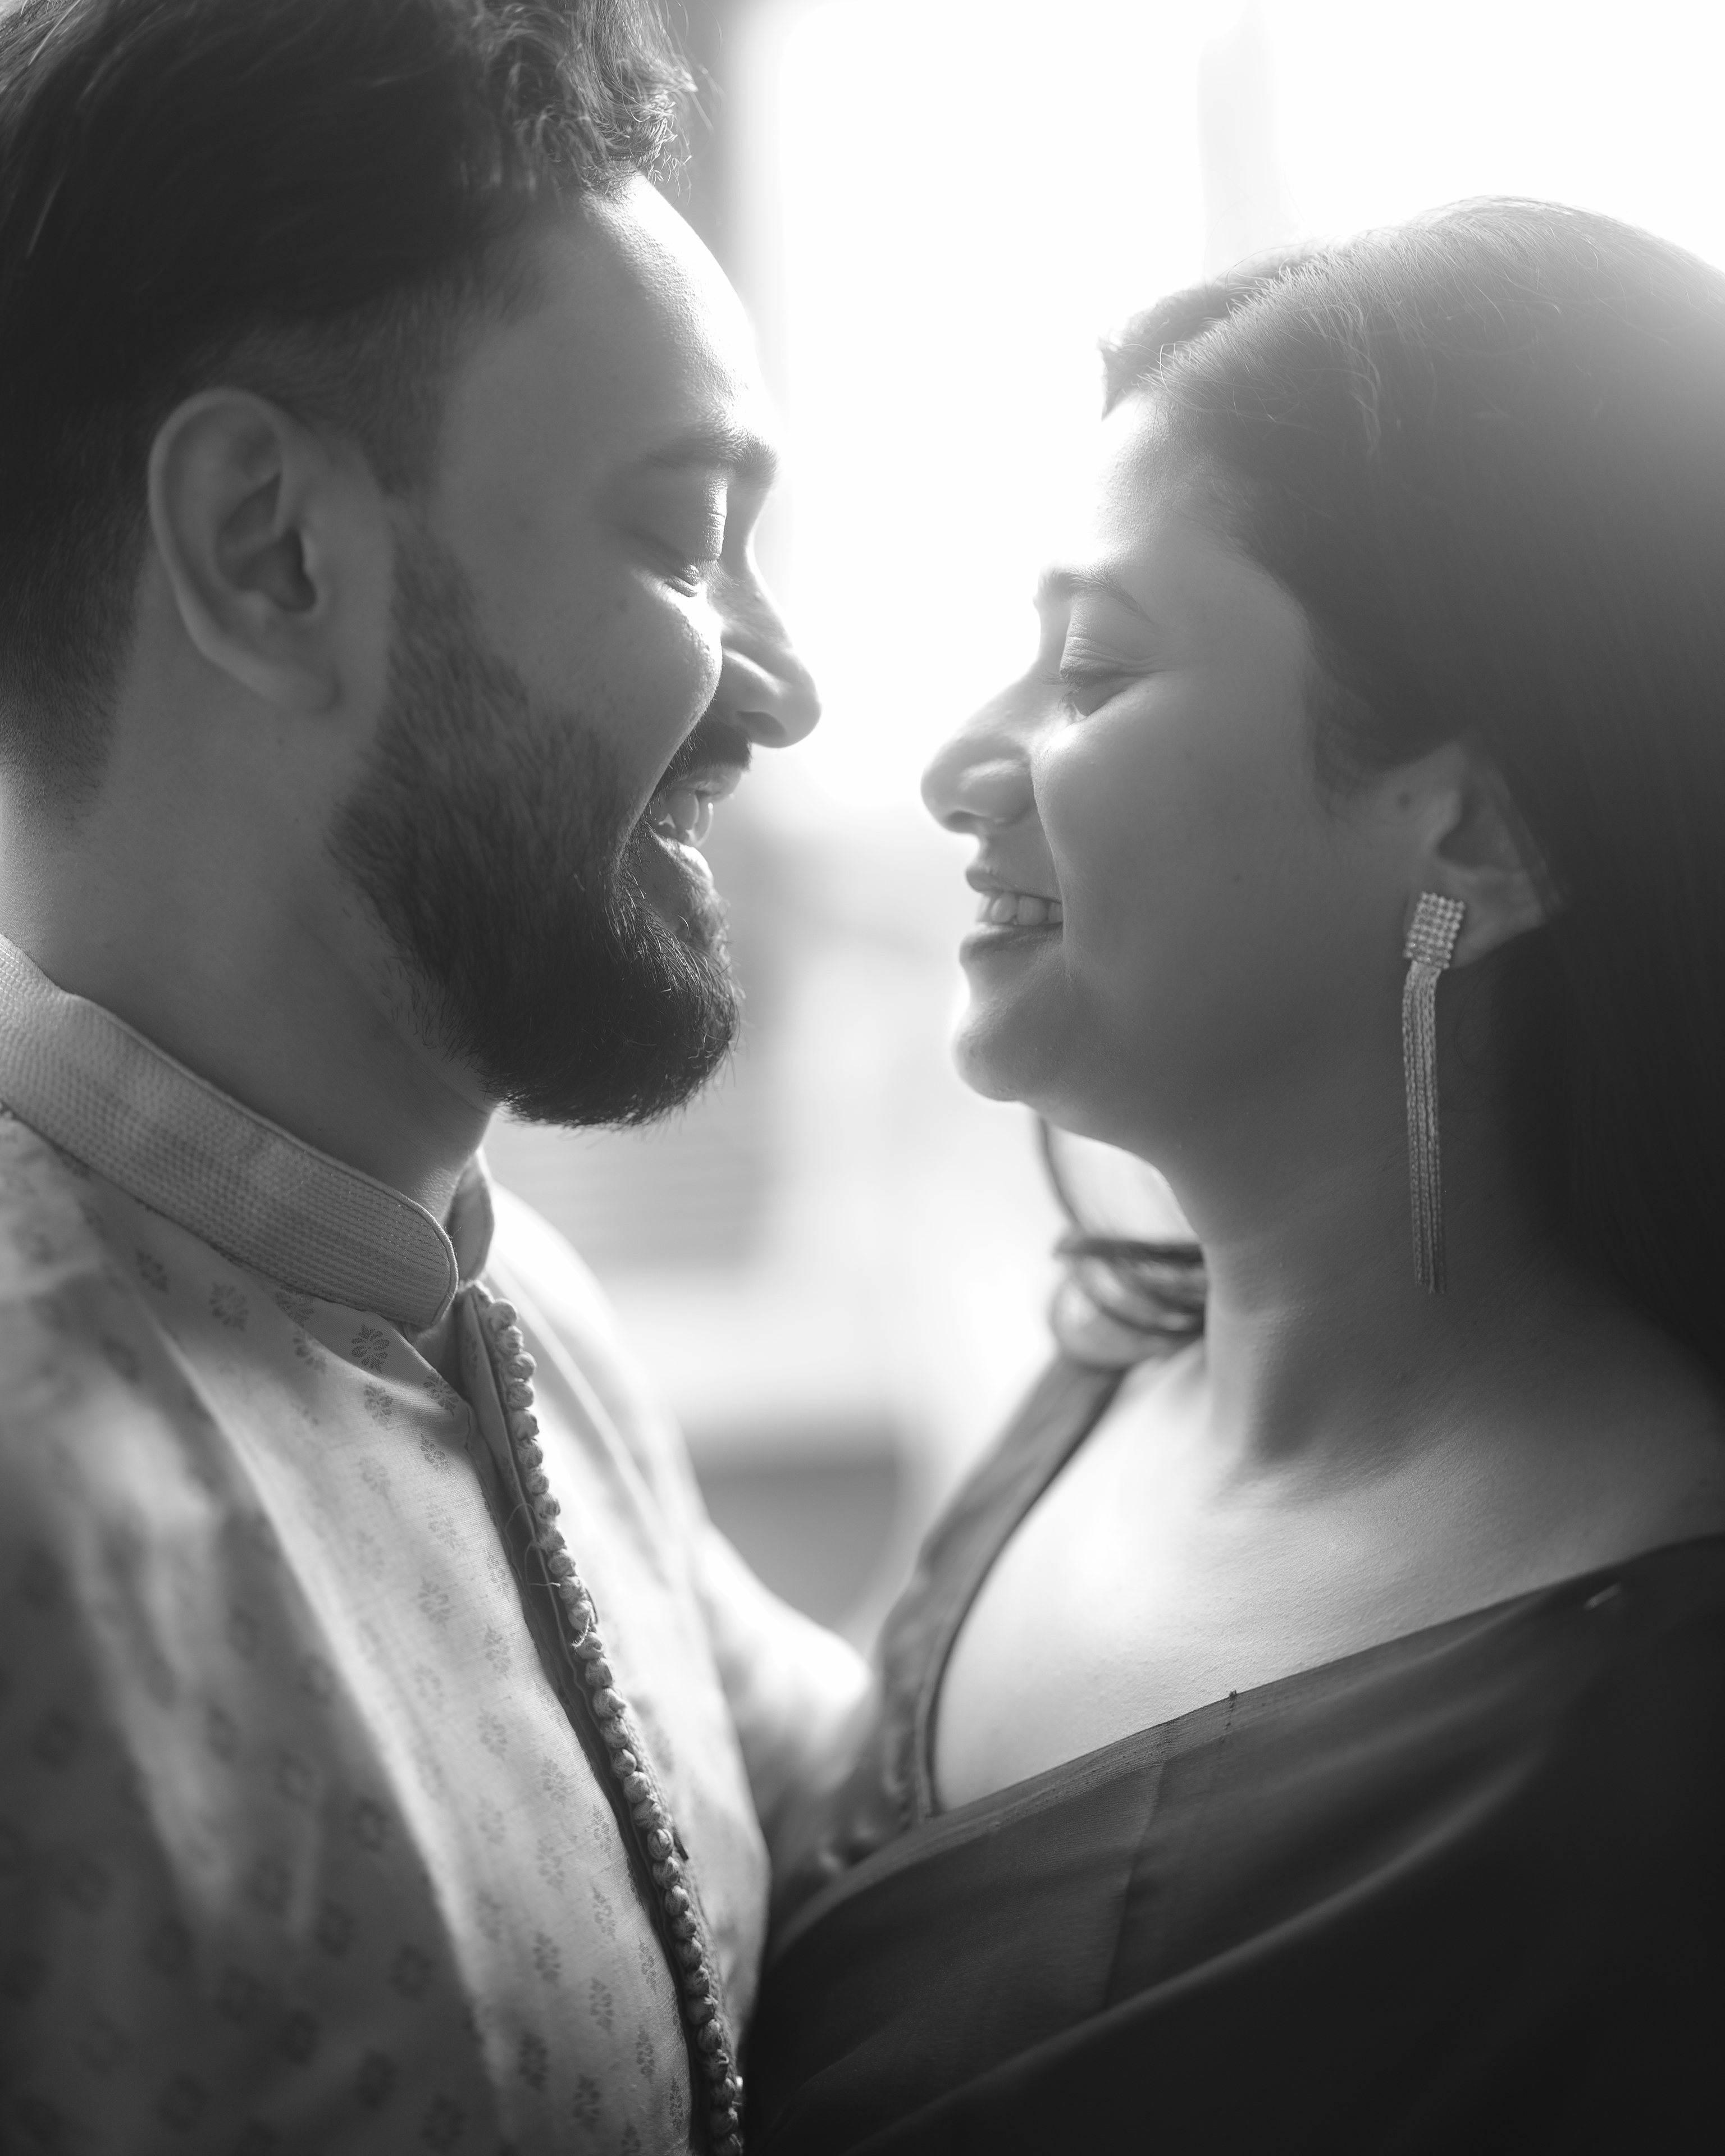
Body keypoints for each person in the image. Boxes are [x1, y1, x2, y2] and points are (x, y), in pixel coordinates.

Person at [749, 200, 1725, 2153]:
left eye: (1094, 669)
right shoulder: (1091, 1388)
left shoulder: (1656, 1769)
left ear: (1477, 841)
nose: (958, 763)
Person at [0, 2, 868, 2150]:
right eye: (681, 533)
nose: (791, 684)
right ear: (271, 550)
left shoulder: (525, 1309)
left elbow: (896, 1807)